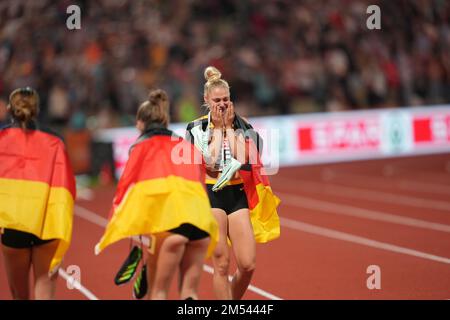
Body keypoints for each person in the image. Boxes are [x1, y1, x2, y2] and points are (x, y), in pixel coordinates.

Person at [95, 89, 219, 300]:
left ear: (142, 123)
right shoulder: (185, 144)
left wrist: (120, 223)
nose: (136, 126)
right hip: (201, 222)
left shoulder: (140, 146)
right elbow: (201, 181)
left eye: (137, 122)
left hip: (169, 225)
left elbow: (128, 187)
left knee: (157, 292)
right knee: (190, 293)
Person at [186, 66, 281, 300]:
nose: (222, 104)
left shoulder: (243, 125)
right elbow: (209, 163)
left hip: (237, 195)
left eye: (226, 99)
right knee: (221, 263)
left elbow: (245, 158)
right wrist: (217, 129)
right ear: (206, 100)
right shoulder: (196, 127)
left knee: (247, 264)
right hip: (211, 195)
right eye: (216, 100)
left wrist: (228, 127)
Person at [0, 87, 76, 299]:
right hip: (47, 225)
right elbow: (67, 187)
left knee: (19, 295)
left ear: (9, 109)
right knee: (45, 293)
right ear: (38, 109)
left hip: (14, 226)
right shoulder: (56, 141)